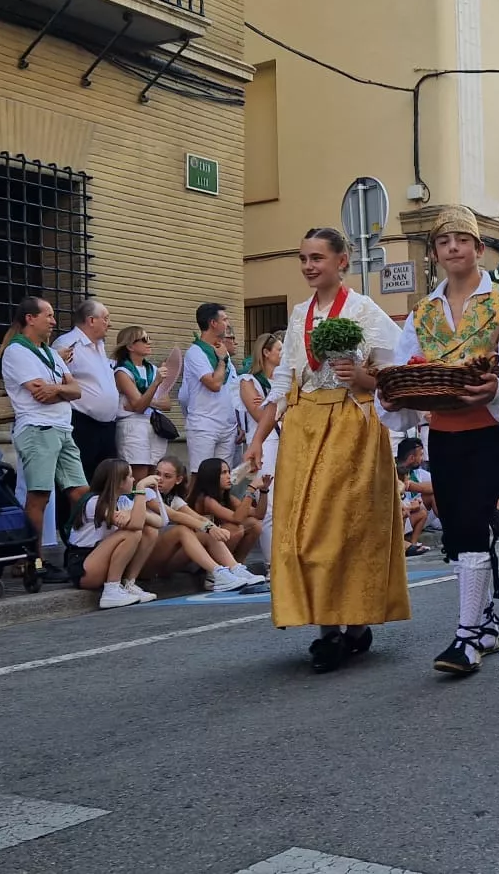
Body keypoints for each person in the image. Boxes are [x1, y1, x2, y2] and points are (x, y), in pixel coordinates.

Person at [379, 206, 499, 676]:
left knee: (468, 525)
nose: (453, 247)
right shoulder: (423, 313)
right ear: (434, 253)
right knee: (460, 525)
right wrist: (388, 393)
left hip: (489, 432)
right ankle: (486, 625)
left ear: (479, 248)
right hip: (442, 436)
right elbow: (409, 372)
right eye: (444, 241)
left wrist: (496, 389)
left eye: (462, 240)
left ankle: (467, 637)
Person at [243, 227, 410, 674]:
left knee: (340, 530)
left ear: (342, 261)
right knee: (300, 530)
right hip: (302, 427)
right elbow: (281, 385)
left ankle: (345, 628)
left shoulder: (365, 311)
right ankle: (331, 629)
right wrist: (258, 439)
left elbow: (393, 380)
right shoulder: (299, 315)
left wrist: (361, 378)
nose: (308, 266)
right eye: (303, 258)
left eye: (317, 257)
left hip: (350, 427)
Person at [0, 297, 88, 563]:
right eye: (48, 316)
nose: (53, 321)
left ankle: (80, 550)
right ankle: (32, 561)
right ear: (30, 318)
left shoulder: (49, 353)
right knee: (39, 495)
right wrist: (62, 390)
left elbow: (76, 390)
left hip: (62, 428)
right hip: (38, 428)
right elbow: (40, 395)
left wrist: (59, 389)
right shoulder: (17, 351)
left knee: (80, 493)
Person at [140, 455, 268, 593]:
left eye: (167, 476)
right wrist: (250, 490)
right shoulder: (146, 493)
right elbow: (173, 515)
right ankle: (216, 573)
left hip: (168, 562)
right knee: (182, 530)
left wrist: (210, 527)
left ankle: (234, 568)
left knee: (209, 531)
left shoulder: (175, 499)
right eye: (157, 474)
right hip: (145, 562)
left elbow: (197, 518)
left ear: (178, 480)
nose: (159, 479)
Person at [66, 458, 155, 609]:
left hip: (100, 559)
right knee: (132, 533)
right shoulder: (94, 502)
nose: (133, 479)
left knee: (150, 531)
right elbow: (136, 525)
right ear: (119, 482)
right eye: (130, 476)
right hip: (84, 567)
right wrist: (140, 489)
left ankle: (129, 584)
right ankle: (111, 590)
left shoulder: (122, 501)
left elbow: (160, 522)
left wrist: (129, 512)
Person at [54, 300, 121, 480]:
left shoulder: (99, 346)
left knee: (107, 479)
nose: (110, 323)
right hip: (83, 423)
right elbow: (56, 379)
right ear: (91, 320)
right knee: (82, 477)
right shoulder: (68, 344)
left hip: (107, 425)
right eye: (105, 319)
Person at [239, 332, 285, 569]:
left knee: (287, 504)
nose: (283, 353)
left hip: (285, 441)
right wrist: (278, 408)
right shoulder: (249, 381)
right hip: (263, 443)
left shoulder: (283, 380)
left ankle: (284, 558)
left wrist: (270, 404)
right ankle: (271, 563)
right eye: (279, 349)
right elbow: (260, 415)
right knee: (267, 504)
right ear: (266, 353)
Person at [183, 456, 271, 581]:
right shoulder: (206, 499)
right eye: (223, 473)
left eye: (228, 472)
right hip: (196, 552)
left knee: (254, 525)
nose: (229, 476)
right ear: (211, 476)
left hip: (214, 546)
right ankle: (214, 574)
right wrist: (251, 489)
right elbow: (237, 519)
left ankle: (236, 566)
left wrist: (264, 491)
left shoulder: (228, 497)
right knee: (235, 529)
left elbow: (258, 514)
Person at [181, 302, 243, 472]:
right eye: (225, 319)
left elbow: (231, 390)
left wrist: (239, 421)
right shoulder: (195, 352)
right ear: (213, 323)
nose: (228, 324)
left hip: (228, 425)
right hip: (204, 425)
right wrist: (222, 360)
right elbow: (214, 384)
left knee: (222, 479)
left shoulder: (222, 351)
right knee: (201, 476)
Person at [111, 324, 174, 481]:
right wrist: (155, 384)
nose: (149, 342)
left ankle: (150, 505)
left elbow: (167, 404)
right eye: (144, 339)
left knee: (155, 475)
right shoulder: (122, 371)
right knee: (139, 477)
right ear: (131, 345)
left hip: (154, 425)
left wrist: (146, 401)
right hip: (133, 426)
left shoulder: (152, 369)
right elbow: (139, 407)